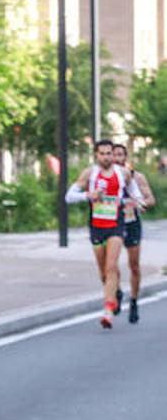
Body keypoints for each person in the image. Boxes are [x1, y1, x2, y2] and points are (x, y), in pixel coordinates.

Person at [66, 139, 144, 329]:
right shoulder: (89, 174)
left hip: (115, 225)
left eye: (109, 153)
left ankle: (108, 311)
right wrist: (88, 196)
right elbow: (69, 196)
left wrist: (137, 202)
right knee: (103, 273)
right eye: (102, 153)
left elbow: (135, 192)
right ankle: (115, 292)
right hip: (96, 225)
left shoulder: (123, 173)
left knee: (111, 266)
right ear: (96, 155)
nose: (107, 157)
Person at [112, 143, 156, 324]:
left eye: (120, 154)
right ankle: (117, 291)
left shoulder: (137, 177)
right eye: (114, 155)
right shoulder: (105, 177)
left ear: (126, 157)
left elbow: (150, 199)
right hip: (112, 224)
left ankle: (134, 301)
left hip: (131, 223)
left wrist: (141, 203)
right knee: (111, 264)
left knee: (134, 265)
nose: (117, 158)